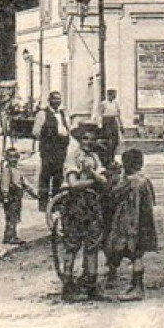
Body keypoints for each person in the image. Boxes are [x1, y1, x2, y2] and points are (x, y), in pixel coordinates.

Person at [55, 123, 108, 300]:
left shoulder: (94, 157)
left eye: (92, 139)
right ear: (79, 139)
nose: (89, 142)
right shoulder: (73, 157)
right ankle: (68, 287)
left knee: (92, 245)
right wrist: (94, 182)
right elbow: (73, 184)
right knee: (72, 245)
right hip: (75, 204)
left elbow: (103, 178)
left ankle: (92, 286)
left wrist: (91, 173)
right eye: (85, 138)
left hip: (92, 203)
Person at [105, 148, 159, 300]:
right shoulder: (145, 180)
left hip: (129, 222)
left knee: (129, 253)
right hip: (143, 222)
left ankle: (136, 287)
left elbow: (113, 194)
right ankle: (136, 284)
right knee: (137, 255)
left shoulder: (129, 182)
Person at [32, 91, 70, 208]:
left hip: (61, 149)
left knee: (58, 176)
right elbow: (36, 132)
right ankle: (43, 203)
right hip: (48, 149)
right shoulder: (42, 114)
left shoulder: (63, 113)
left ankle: (55, 203)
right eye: (54, 99)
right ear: (49, 100)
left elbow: (67, 128)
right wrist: (49, 137)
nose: (57, 101)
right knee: (46, 175)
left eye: (59, 99)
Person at [0, 146, 35, 245]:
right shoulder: (7, 170)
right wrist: (5, 195)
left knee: (15, 215)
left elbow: (22, 182)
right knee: (11, 216)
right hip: (11, 195)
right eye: (11, 157)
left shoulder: (17, 170)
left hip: (17, 195)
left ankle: (12, 235)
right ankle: (9, 236)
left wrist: (31, 191)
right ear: (7, 158)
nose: (13, 159)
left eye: (15, 157)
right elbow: (5, 184)